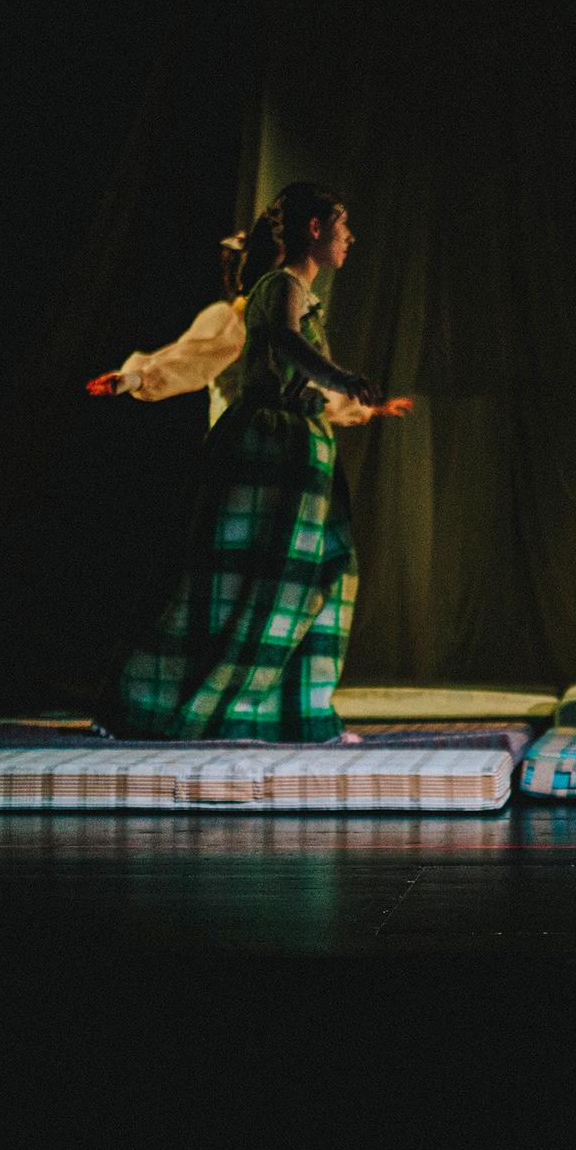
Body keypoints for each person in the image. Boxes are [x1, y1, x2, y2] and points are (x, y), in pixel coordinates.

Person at [101, 182, 386, 742]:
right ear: (312, 229)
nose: (350, 237)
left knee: (308, 577)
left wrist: (356, 402)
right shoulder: (268, 293)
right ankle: (154, 702)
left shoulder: (301, 299)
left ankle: (292, 713)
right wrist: (135, 377)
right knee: (242, 586)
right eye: (342, 224)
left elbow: (305, 373)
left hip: (296, 444)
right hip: (263, 450)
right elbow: (197, 359)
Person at [88, 231, 384, 430]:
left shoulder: (287, 320)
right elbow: (189, 359)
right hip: (243, 434)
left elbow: (310, 384)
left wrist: (364, 408)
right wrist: (135, 378)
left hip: (284, 436)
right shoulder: (232, 320)